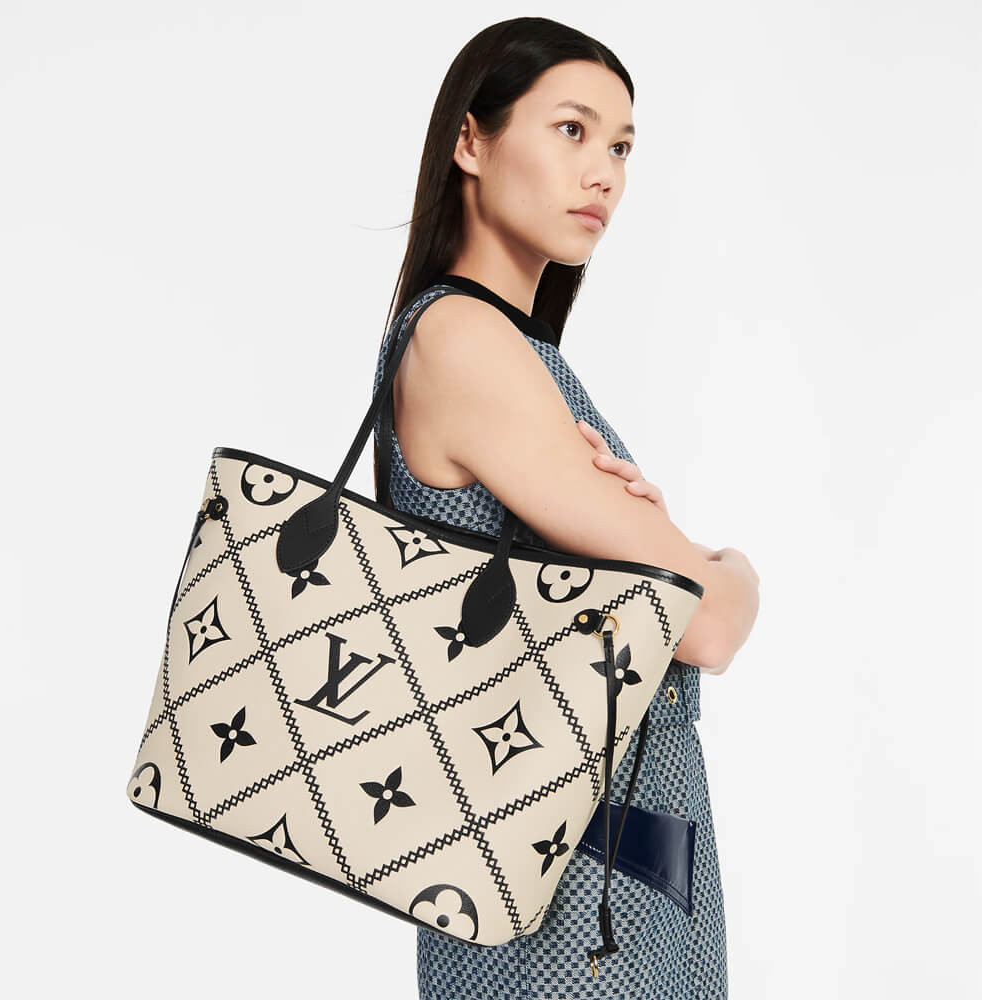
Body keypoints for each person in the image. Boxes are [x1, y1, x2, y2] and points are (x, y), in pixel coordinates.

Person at [371, 17, 760, 999]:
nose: (604, 175)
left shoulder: (513, 350)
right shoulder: (466, 341)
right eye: (571, 130)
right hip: (568, 902)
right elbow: (706, 622)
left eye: (621, 147)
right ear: (471, 141)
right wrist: (733, 565)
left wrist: (679, 561)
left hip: (604, 863)